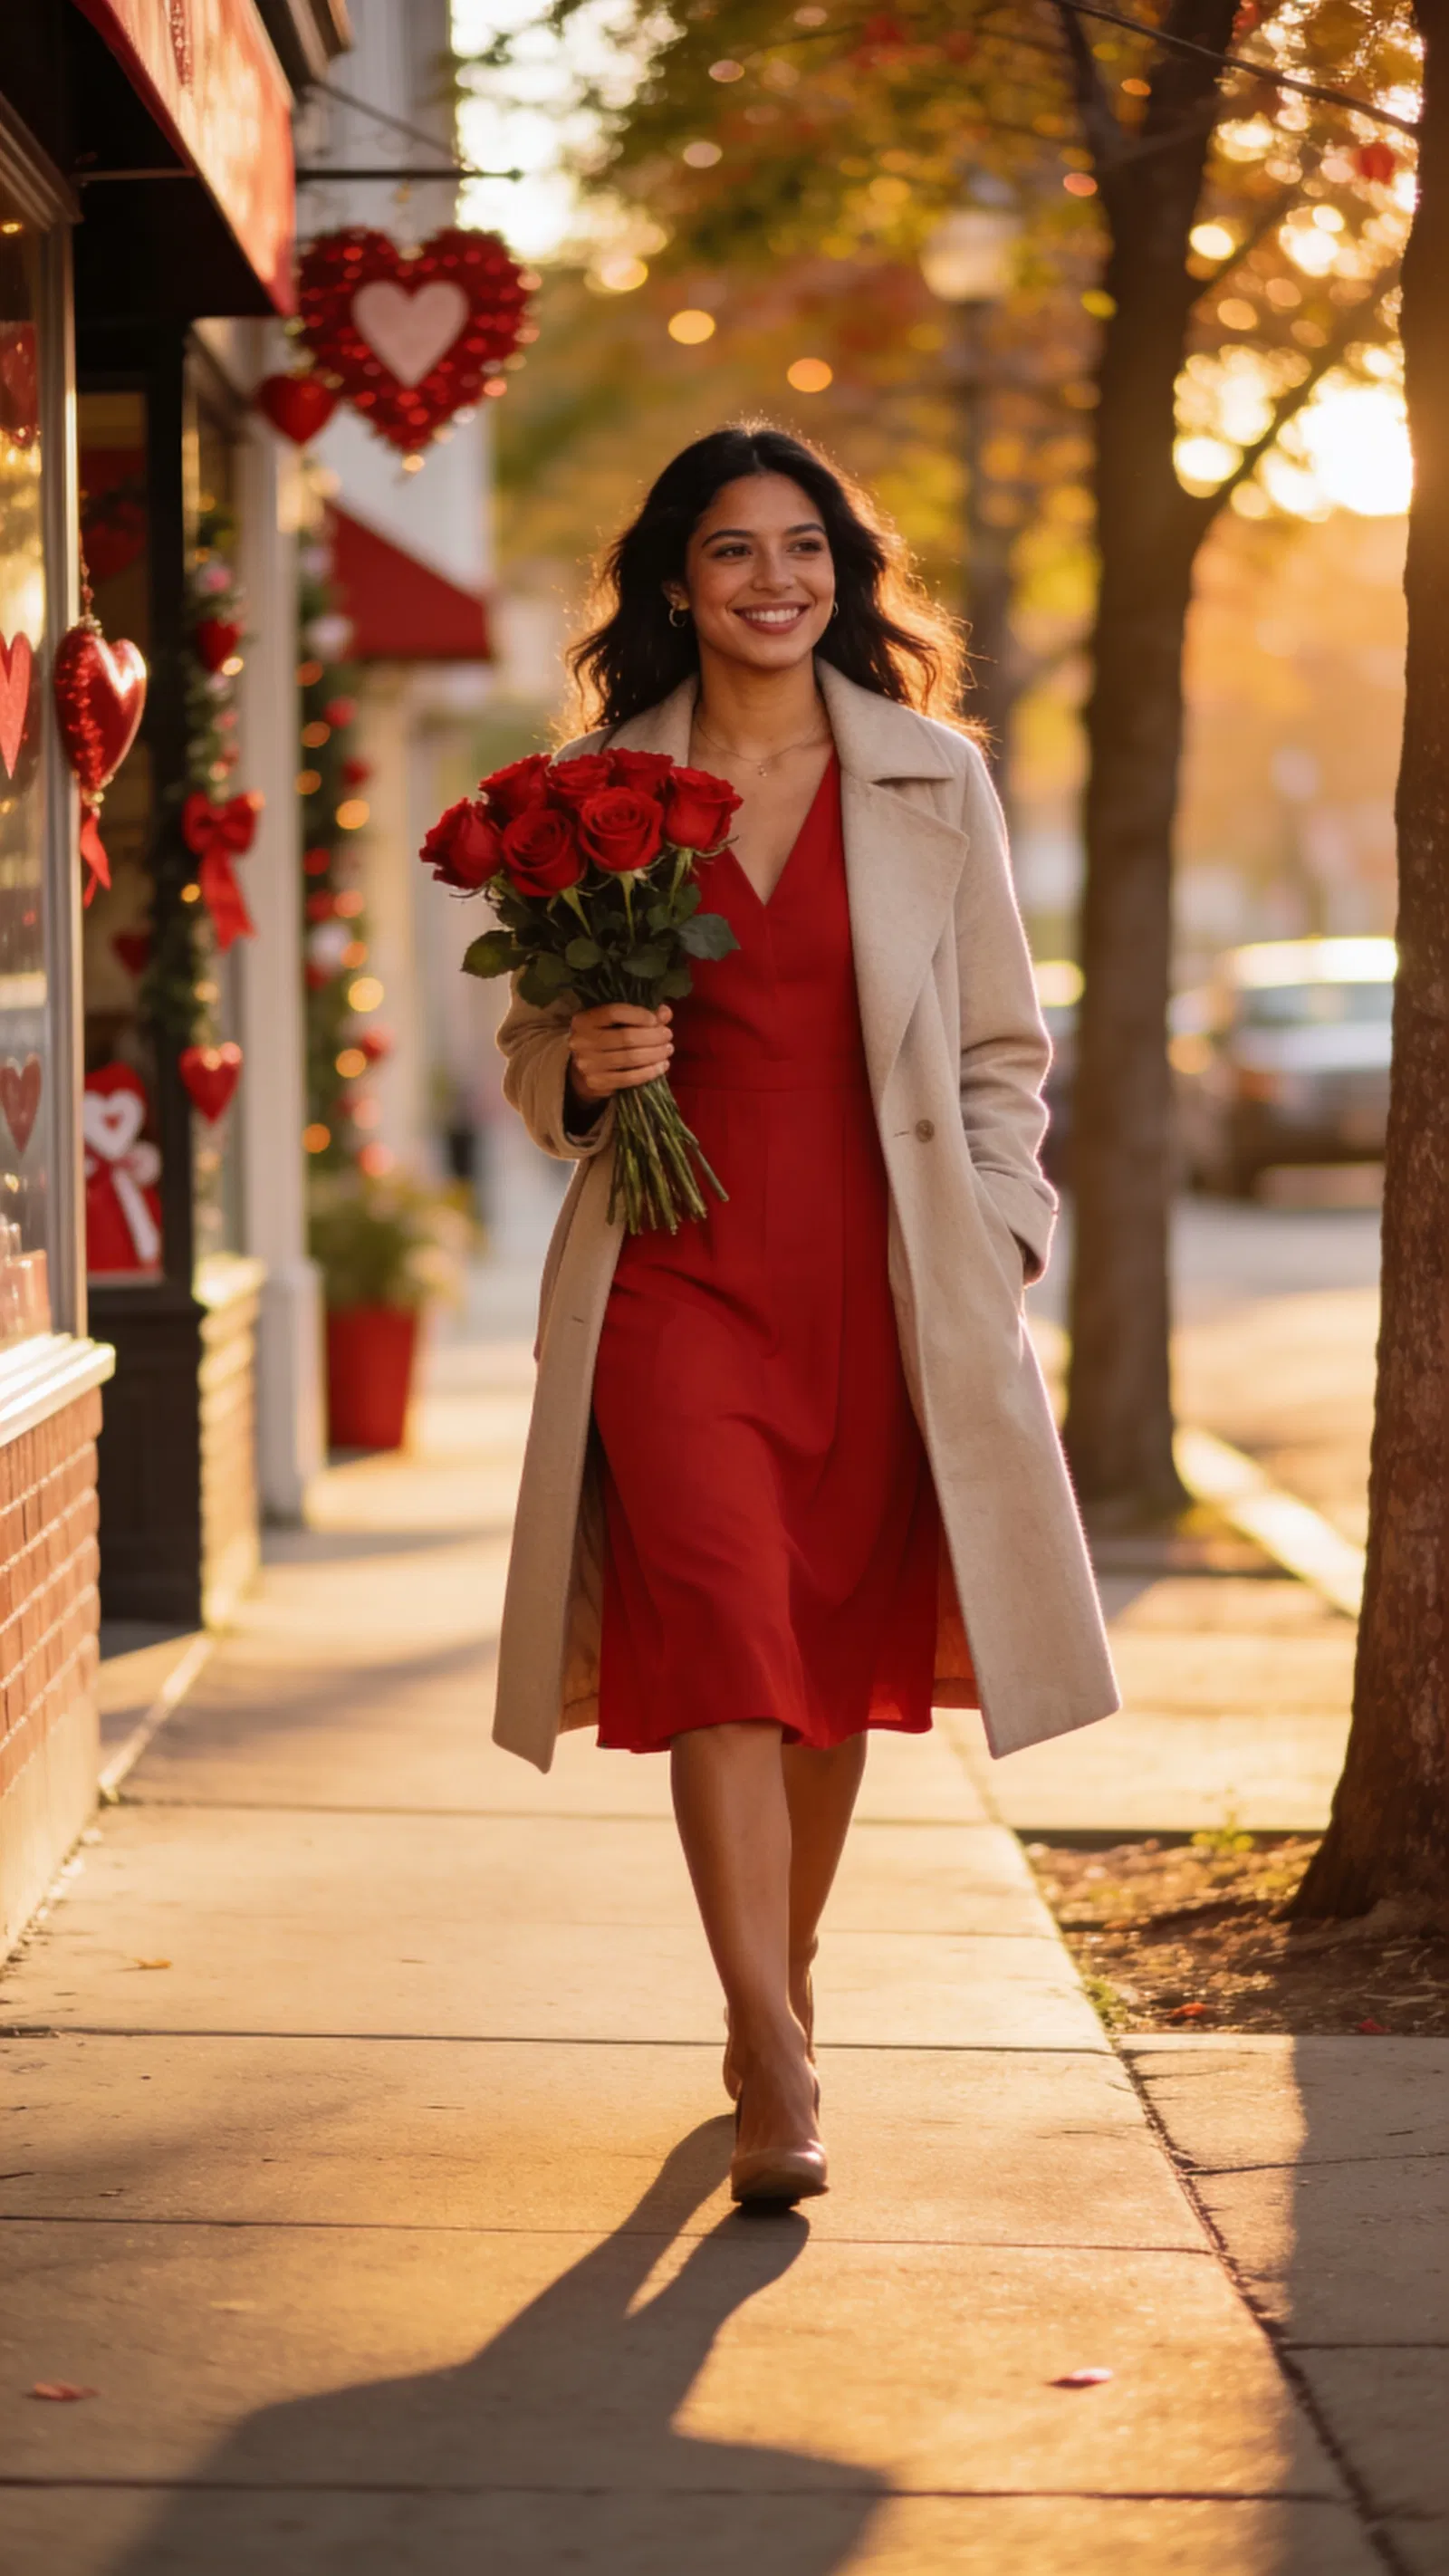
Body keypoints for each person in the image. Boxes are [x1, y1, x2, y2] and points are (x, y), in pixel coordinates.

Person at [493, 425, 1118, 2207]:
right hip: (667, 1270)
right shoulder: (580, 794)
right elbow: (533, 1046)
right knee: (718, 1639)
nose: (773, 580)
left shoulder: (930, 780)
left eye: (804, 549)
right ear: (672, 586)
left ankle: (784, 1973)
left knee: (826, 1663)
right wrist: (586, 1068)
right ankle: (767, 2050)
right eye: (730, 551)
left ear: (840, 577)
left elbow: (1003, 1049)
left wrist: (1001, 1228)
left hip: (881, 1275)